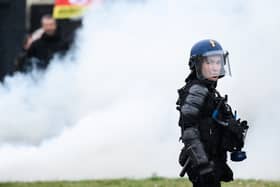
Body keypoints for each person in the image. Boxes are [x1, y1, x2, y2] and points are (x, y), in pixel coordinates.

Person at [176, 39, 248, 187]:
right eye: (209, 63)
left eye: (218, 62)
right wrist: (203, 166)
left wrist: (232, 129)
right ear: (197, 64)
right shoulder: (196, 90)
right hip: (203, 163)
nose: (215, 67)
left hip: (213, 159)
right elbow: (189, 132)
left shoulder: (210, 91)